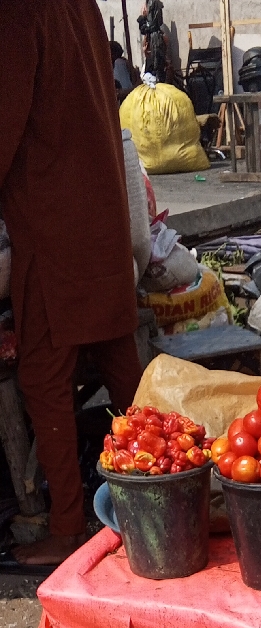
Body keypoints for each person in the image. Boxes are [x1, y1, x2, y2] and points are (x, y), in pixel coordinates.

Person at [0, 0, 141, 566]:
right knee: (121, 367)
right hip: (101, 214)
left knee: (43, 377)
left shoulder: (16, 12)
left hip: (53, 224)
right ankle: (156, 492)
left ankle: (67, 525)